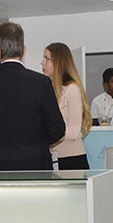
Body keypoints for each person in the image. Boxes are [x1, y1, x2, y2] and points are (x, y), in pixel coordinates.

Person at [0, 22, 65, 171]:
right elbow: (57, 130)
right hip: (36, 166)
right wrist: (37, 145)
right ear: (23, 50)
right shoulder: (41, 83)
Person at [41, 42, 92, 170]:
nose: (42, 63)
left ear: (59, 62)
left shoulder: (72, 89)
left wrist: (44, 135)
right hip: (53, 157)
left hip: (72, 158)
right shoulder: (48, 89)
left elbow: (74, 131)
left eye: (47, 59)